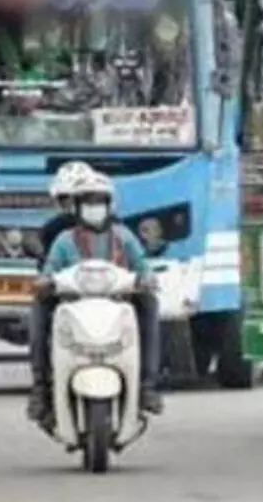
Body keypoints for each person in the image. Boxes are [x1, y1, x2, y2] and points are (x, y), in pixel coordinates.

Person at [27, 166, 163, 426]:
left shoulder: (124, 237)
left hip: (118, 301)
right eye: (88, 202)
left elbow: (142, 265)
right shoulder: (64, 239)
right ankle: (41, 387)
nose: (94, 207)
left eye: (99, 201)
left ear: (109, 205)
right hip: (73, 303)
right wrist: (45, 282)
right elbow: (50, 269)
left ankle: (148, 385)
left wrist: (146, 279)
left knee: (149, 304)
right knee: (39, 308)